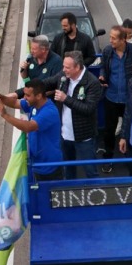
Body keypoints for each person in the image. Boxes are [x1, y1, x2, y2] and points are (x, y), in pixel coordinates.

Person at [43, 51, 104, 179]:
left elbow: (88, 108)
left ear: (77, 67)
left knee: (90, 171)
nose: (63, 70)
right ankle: (70, 193)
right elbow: (47, 83)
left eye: (67, 67)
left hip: (84, 137)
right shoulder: (64, 76)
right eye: (63, 66)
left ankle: (96, 194)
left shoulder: (92, 83)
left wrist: (66, 99)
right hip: (65, 135)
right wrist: (23, 91)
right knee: (68, 169)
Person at [0, 79, 63, 181]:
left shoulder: (49, 112)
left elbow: (28, 127)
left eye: (28, 95)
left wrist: (5, 115)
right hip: (37, 163)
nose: (24, 97)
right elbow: (15, 102)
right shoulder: (33, 105)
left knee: (46, 196)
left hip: (49, 167)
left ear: (38, 96)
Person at [99, 26, 132, 173]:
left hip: (129, 99)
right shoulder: (107, 51)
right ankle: (108, 158)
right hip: (111, 97)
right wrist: (102, 75)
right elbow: (103, 67)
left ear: (123, 39)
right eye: (110, 37)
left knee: (130, 129)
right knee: (109, 131)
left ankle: (130, 157)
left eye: (113, 38)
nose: (110, 40)